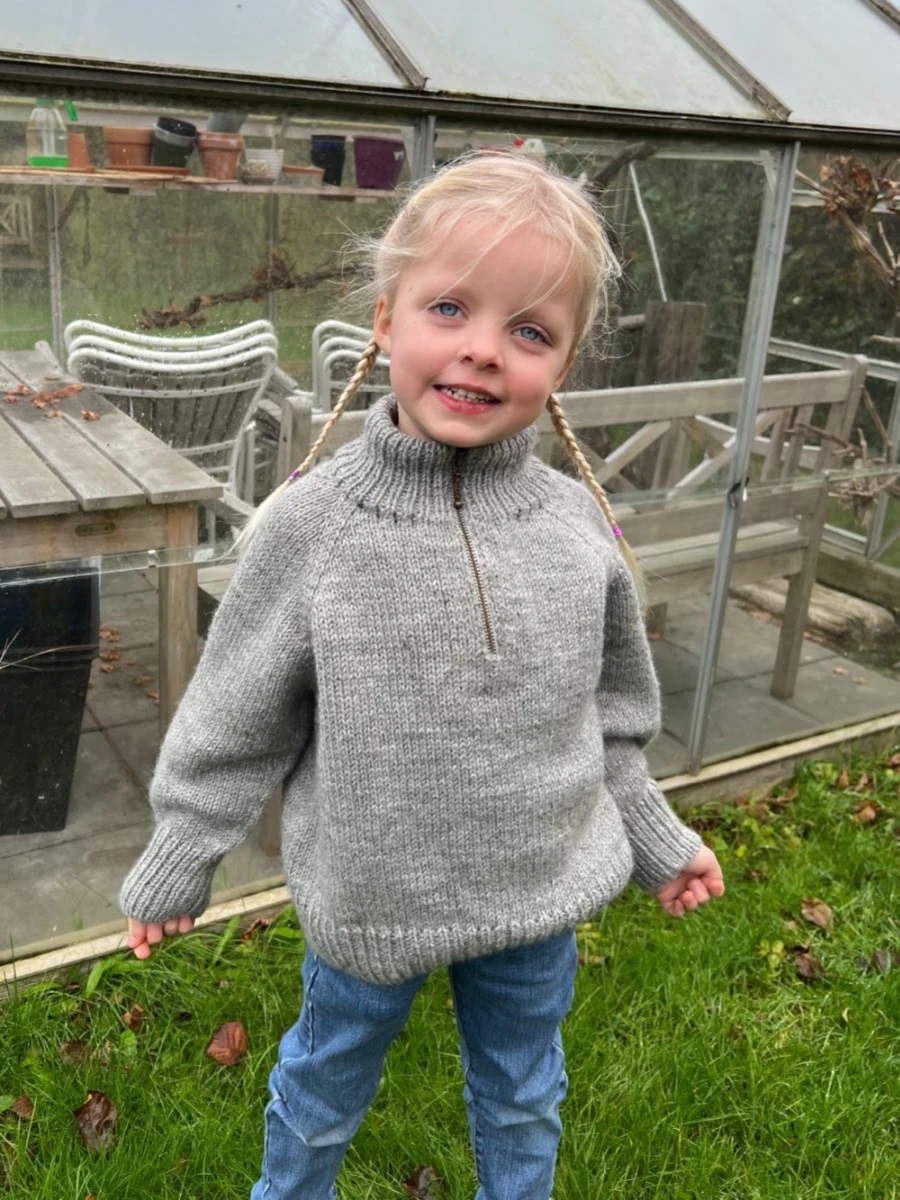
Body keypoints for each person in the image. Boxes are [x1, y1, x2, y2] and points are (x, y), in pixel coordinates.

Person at [119, 151, 724, 1200]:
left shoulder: (575, 527)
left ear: (565, 363)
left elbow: (610, 718)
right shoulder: (314, 526)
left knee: (524, 1091)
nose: (483, 349)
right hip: (371, 902)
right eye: (450, 308)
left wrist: (656, 840)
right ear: (386, 322)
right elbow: (237, 712)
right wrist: (185, 847)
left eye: (530, 332)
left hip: (537, 899)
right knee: (322, 1088)